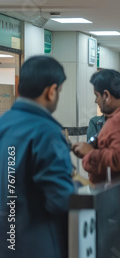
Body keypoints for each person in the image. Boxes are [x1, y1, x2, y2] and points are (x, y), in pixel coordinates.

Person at [0, 56, 74, 258]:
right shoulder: (46, 132)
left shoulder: (3, 123)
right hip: (35, 243)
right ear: (51, 92)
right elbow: (60, 198)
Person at [72, 69, 120, 182]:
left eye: (97, 95)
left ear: (106, 95)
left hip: (114, 194)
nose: (96, 101)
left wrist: (89, 153)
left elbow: (119, 159)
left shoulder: (119, 120)